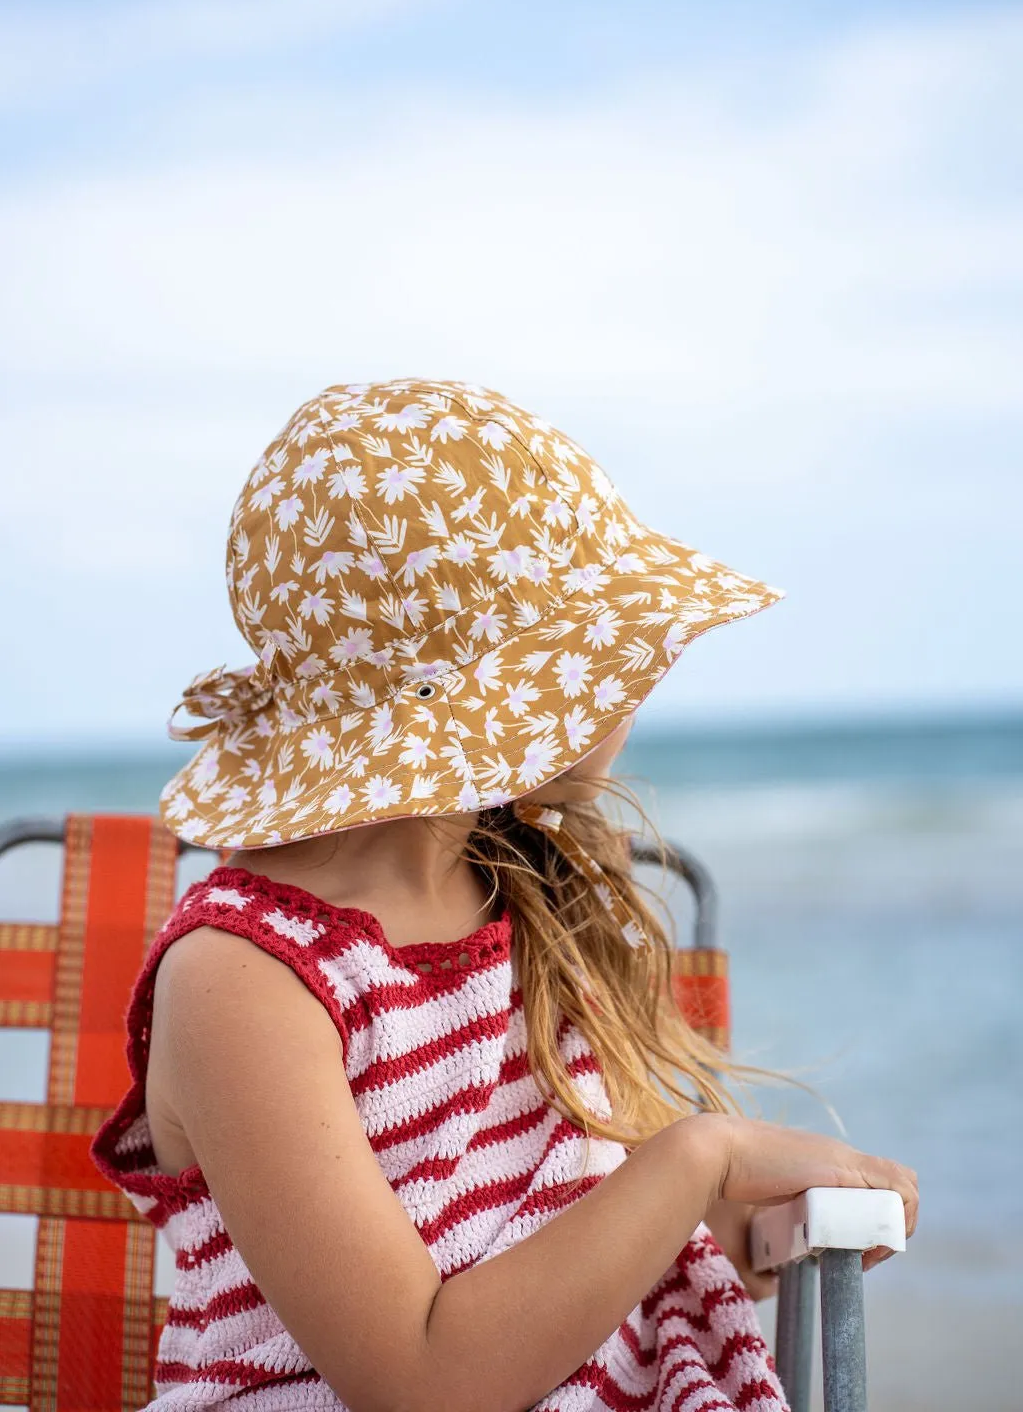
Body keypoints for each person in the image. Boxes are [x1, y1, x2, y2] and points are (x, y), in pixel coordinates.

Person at [92, 379, 917, 1412]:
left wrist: (763, 1234)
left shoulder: (530, 899)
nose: (635, 685)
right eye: (595, 658)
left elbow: (592, 1240)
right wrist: (702, 1156)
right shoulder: (247, 981)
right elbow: (422, 1380)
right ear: (481, 703)